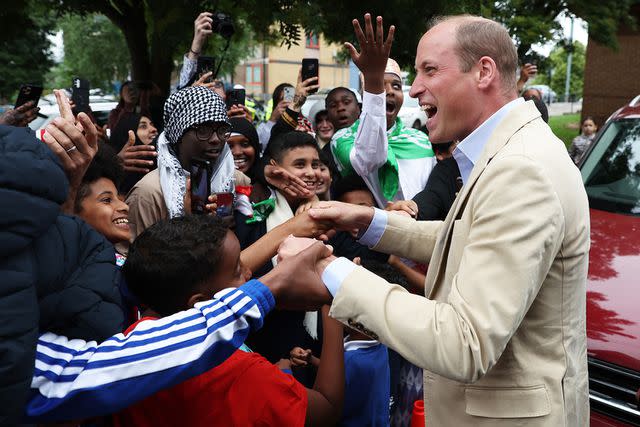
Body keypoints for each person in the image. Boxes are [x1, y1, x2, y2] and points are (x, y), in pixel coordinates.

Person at [280, 14, 590, 426]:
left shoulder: (521, 168)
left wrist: (331, 271)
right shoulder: (514, 149)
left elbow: (465, 343)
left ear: (483, 71)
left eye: (429, 70)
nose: (414, 89)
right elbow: (469, 236)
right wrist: (369, 221)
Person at [113, 215, 344, 427]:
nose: (249, 272)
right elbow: (327, 408)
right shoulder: (242, 373)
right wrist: (332, 309)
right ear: (199, 301)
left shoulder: (134, 340)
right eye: (237, 270)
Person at [126, 86, 250, 239]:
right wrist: (187, 225)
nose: (216, 139)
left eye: (222, 129)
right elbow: (137, 258)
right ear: (178, 136)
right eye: (203, 130)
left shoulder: (235, 180)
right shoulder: (149, 193)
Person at [330, 53, 436, 207]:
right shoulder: (343, 138)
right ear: (364, 94)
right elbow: (367, 159)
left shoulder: (421, 140)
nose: (389, 91)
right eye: (379, 85)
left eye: (396, 86)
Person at [109, 113, 158, 193]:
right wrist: (114, 165)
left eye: (152, 125)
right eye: (143, 126)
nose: (154, 129)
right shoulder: (114, 178)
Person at [257, 83, 295, 152]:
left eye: (291, 98)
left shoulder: (303, 124)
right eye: (282, 99)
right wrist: (273, 119)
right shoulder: (262, 127)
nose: (287, 103)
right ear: (276, 103)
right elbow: (264, 145)